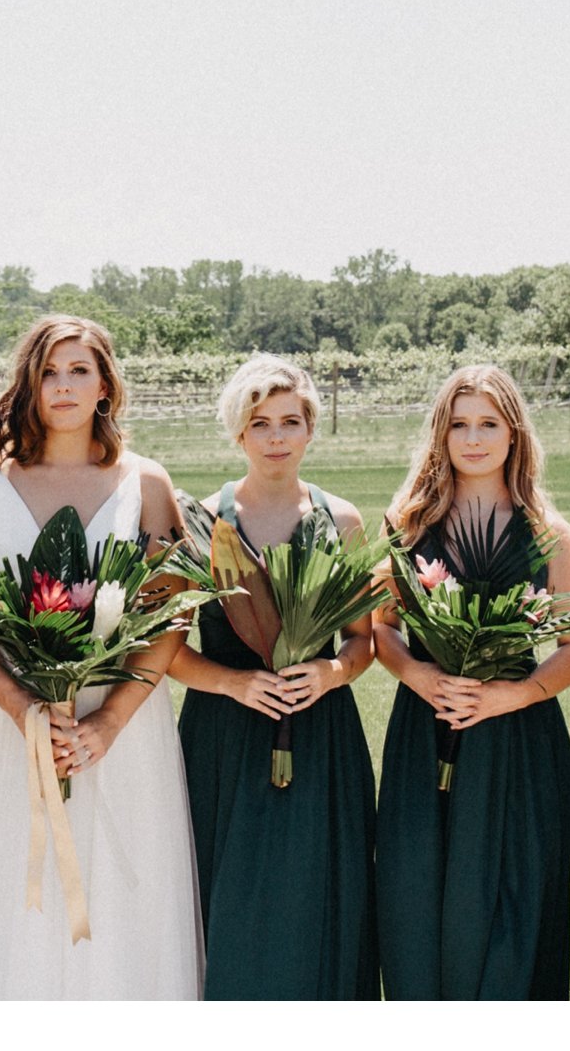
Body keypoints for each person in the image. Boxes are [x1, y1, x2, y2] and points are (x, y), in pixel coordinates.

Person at [0, 316, 203, 999]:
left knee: (118, 899)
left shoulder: (147, 483)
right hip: (6, 727)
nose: (62, 386)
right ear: (29, 385)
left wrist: (109, 723)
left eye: (78, 371)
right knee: (6, 893)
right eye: (48, 372)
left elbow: (172, 614)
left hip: (119, 735)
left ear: (105, 385)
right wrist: (22, 708)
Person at [371, 363, 570, 998]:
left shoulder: (549, 532)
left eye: (488, 424)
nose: (473, 438)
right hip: (425, 729)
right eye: (459, 424)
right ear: (440, 434)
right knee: (416, 893)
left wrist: (510, 695)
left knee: (510, 903)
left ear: (514, 434)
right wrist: (420, 677)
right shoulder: (406, 523)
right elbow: (380, 631)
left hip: (518, 737)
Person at [170, 354, 377, 998]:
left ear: (311, 429)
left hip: (319, 733)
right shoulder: (199, 522)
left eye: (292, 422)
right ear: (238, 433)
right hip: (223, 734)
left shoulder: (341, 522)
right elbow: (167, 653)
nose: (278, 437)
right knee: (225, 891)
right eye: (261, 424)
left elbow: (364, 644)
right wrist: (234, 684)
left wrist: (332, 673)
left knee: (314, 891)